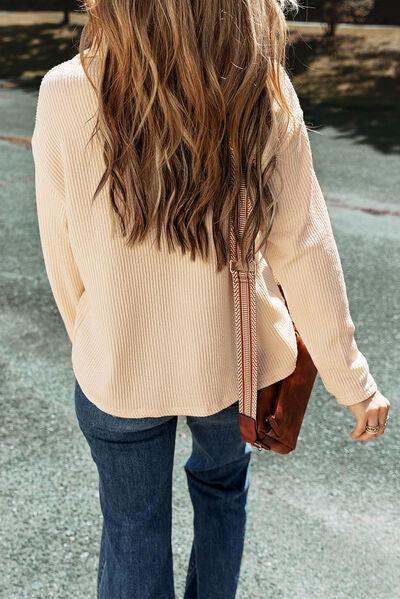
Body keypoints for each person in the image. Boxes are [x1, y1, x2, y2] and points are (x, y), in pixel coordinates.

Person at [31, 1, 391, 597]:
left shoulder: (67, 89)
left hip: (118, 366)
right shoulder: (263, 89)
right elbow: (301, 245)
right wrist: (352, 381)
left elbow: (60, 249)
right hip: (235, 364)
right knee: (222, 493)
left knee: (131, 527)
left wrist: (101, 336)